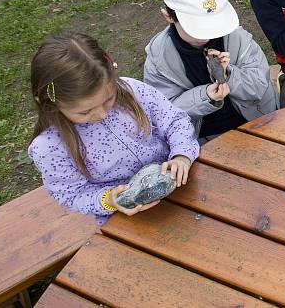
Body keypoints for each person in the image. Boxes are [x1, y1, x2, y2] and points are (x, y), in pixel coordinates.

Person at [28, 33, 200, 225]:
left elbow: (175, 121)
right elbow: (72, 194)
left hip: (181, 186)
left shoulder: (132, 90)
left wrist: (182, 155)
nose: (101, 114)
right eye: (85, 112)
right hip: (125, 218)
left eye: (109, 99)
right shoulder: (50, 147)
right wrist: (109, 200)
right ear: (49, 103)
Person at [145, 0, 277, 142]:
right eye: (197, 27)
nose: (207, 36)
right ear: (168, 16)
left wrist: (230, 75)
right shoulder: (159, 58)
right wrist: (204, 96)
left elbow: (260, 85)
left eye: (212, 24)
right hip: (203, 139)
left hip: (256, 122)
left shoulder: (236, 37)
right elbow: (163, 111)